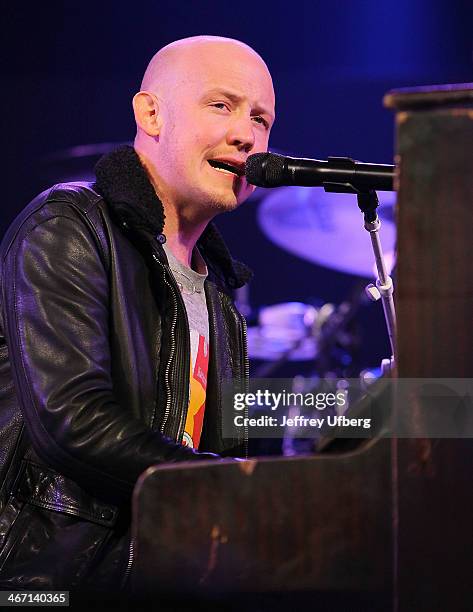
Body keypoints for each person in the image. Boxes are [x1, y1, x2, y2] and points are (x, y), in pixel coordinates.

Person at [0, 35, 275, 593]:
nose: (246, 135)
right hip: (48, 583)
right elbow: (74, 421)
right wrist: (237, 485)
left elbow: (233, 431)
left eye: (262, 118)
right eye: (221, 105)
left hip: (163, 580)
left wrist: (387, 409)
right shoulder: (69, 227)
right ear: (150, 112)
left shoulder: (219, 289)